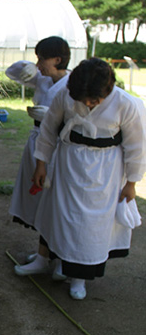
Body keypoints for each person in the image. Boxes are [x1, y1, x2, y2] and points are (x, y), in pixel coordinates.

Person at [32, 57, 146, 300]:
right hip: (69, 162)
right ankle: (60, 262)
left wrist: (132, 182)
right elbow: (49, 129)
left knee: (90, 224)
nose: (87, 103)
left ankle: (79, 277)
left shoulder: (126, 104)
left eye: (93, 100)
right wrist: (41, 164)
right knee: (63, 216)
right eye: (82, 99)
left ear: (108, 90)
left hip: (106, 169)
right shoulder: (65, 95)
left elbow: (137, 145)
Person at [5, 36, 71, 279]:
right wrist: (27, 67)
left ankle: (61, 257)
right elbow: (11, 72)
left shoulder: (72, 83)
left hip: (59, 145)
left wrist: (53, 118)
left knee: (57, 203)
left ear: (57, 59)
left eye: (42, 58)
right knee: (39, 201)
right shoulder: (41, 78)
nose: (39, 63)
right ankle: (44, 254)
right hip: (37, 139)